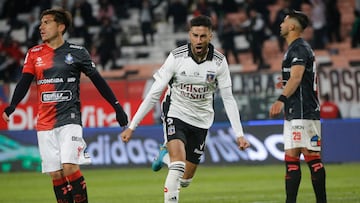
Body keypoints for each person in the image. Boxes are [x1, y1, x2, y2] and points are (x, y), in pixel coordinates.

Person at [2, 8, 128, 203]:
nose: (41, 26)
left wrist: (117, 106)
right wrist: (13, 105)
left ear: (61, 27)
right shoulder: (34, 53)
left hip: (70, 118)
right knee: (56, 175)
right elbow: (24, 82)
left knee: (70, 167)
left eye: (46, 22)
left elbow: (98, 81)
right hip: (44, 122)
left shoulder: (78, 53)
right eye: (41, 22)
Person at [120, 15, 250, 203]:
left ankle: (164, 157)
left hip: (202, 119)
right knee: (178, 165)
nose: (198, 40)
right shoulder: (176, 57)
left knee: (186, 179)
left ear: (210, 36)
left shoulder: (219, 62)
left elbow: (229, 99)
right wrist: (133, 125)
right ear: (189, 35)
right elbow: (155, 93)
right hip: (176, 112)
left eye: (203, 36)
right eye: (195, 35)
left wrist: (239, 134)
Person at [269, 10, 327, 203]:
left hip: (304, 111)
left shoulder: (299, 48)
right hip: (295, 112)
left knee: (310, 155)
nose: (281, 25)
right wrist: (285, 84)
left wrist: (281, 98)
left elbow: (297, 77)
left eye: (284, 21)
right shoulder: (294, 48)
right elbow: (294, 79)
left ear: (292, 26)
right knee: (291, 158)